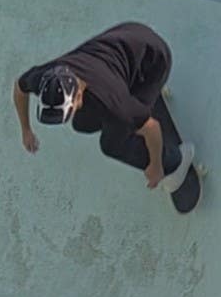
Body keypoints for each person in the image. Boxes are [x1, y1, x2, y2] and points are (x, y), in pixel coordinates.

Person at [13, 22, 193, 195]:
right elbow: (20, 89)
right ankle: (136, 105)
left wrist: (156, 166)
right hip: (131, 33)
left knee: (111, 145)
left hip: (155, 61)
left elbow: (153, 129)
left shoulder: (112, 103)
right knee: (81, 124)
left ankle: (176, 162)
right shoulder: (45, 77)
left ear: (78, 96)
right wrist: (26, 130)